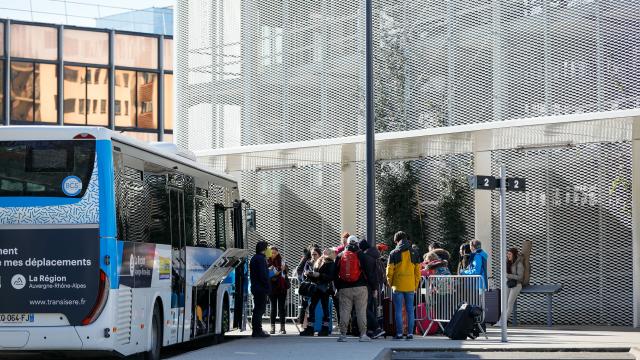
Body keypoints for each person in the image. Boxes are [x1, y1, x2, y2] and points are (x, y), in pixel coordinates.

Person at [334, 235, 377, 342]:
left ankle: (343, 335)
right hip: (361, 288)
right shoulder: (362, 255)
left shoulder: (340, 255)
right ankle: (363, 335)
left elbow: (335, 273)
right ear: (357, 244)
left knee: (344, 311)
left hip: (344, 288)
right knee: (361, 311)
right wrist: (374, 288)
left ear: (347, 243)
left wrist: (338, 287)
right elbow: (370, 273)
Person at [386, 231, 421, 340]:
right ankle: (410, 333)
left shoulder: (393, 253)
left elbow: (389, 271)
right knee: (410, 310)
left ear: (397, 241)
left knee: (398, 311)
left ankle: (400, 334)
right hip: (410, 286)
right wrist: (415, 285)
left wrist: (391, 284)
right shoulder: (414, 252)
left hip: (398, 286)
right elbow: (418, 272)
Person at [300, 248, 337, 336]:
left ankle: (325, 329)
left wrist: (319, 275)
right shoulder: (319, 261)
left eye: (327, 251)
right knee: (311, 308)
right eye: (324, 251)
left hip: (325, 289)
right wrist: (309, 274)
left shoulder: (331, 263)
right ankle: (310, 328)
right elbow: (316, 274)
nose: (325, 251)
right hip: (316, 288)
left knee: (325, 309)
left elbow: (331, 277)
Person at [359, 239, 385, 339]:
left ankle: (377, 328)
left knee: (365, 308)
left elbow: (370, 275)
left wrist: (373, 288)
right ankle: (371, 330)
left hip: (369, 286)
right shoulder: (376, 255)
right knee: (369, 307)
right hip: (376, 285)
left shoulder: (367, 257)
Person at [494, 248, 524, 327]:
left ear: (514, 255)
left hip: (517, 285)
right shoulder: (508, 262)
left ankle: (503, 322)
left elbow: (520, 277)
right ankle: (500, 321)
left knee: (509, 303)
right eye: (507, 254)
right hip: (509, 284)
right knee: (504, 304)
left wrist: (508, 275)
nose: (508, 255)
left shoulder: (519, 264)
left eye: (510, 254)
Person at [249, 241, 271, 337]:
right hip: (261, 288)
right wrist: (267, 287)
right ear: (264, 249)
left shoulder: (254, 258)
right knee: (259, 309)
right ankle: (258, 330)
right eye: (267, 248)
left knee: (257, 309)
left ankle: (256, 330)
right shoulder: (261, 259)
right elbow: (263, 275)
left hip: (255, 287)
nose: (269, 250)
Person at [267, 246, 288, 334]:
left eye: (275, 252)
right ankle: (272, 327)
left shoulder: (282, 260)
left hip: (282, 287)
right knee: (273, 308)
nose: (273, 254)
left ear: (278, 253)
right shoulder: (267, 261)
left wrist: (285, 268)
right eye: (272, 252)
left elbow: (286, 272)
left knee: (282, 308)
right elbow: (266, 273)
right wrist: (271, 270)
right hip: (272, 287)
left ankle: (282, 327)